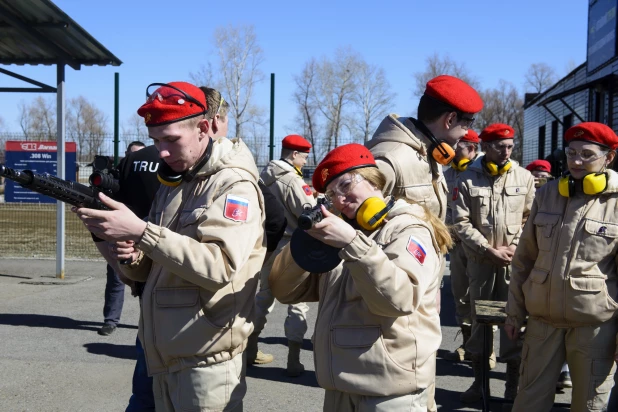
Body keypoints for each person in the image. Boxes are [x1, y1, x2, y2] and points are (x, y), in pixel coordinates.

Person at [75, 81, 266, 411]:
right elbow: (157, 263)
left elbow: (220, 266)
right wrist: (130, 251)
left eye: (171, 140)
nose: (161, 151)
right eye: (156, 140)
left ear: (204, 127)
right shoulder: (176, 179)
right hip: (167, 353)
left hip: (206, 362)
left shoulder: (233, 184)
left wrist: (142, 232)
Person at [269, 144, 453, 411]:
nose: (340, 200)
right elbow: (285, 291)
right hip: (341, 385)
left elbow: (399, 300)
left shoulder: (408, 228)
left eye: (345, 186)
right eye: (332, 195)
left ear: (373, 179)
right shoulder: (344, 233)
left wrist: (353, 243)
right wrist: (305, 243)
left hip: (390, 393)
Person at [366, 74, 483, 411]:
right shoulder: (391, 158)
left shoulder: (425, 155)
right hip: (395, 309)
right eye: (465, 126)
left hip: (420, 300)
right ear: (449, 120)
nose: (464, 136)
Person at [506, 122, 618, 411]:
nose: (577, 161)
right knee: (528, 401)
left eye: (587, 154)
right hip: (542, 323)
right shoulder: (548, 194)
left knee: (589, 405)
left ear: (609, 158)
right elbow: (524, 260)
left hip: (594, 328)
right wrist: (514, 312)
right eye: (571, 153)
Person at [452, 123, 535, 403]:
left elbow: (529, 219)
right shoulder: (467, 179)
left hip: (513, 265)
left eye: (510, 146)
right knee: (482, 324)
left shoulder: (524, 178)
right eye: (500, 146)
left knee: (514, 322)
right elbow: (460, 222)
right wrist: (487, 249)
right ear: (485, 147)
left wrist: (514, 246)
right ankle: (481, 384)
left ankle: (512, 387)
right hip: (483, 265)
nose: (506, 151)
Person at [251, 134, 316, 376]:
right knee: (297, 303)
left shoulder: (262, 176)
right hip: (292, 247)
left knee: (262, 299)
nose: (305, 161)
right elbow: (308, 214)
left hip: (267, 244)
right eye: (304, 156)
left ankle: (249, 349)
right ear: (294, 155)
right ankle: (293, 360)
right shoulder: (292, 181)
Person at [94, 141, 147, 337]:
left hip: (146, 232)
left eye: (140, 156)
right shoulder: (119, 177)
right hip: (121, 233)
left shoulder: (154, 177)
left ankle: (148, 322)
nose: (136, 161)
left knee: (148, 282)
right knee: (116, 277)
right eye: (132, 156)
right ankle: (110, 320)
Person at [443, 129, 483, 363]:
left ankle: (483, 347)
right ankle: (467, 344)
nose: (453, 148)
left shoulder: (481, 175)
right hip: (457, 245)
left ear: (472, 148)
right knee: (461, 296)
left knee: (483, 298)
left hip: (480, 246)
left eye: (458, 144)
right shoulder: (447, 175)